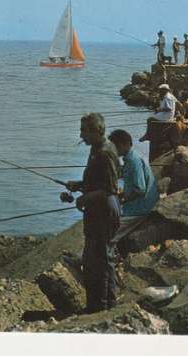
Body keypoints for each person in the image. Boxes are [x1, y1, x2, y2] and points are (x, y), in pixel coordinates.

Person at [62, 113, 121, 313]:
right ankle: (104, 305)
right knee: (96, 259)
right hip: (98, 211)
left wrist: (84, 198)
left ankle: (101, 307)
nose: (81, 135)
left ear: (96, 131)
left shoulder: (104, 152)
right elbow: (99, 182)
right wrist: (78, 185)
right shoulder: (97, 149)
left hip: (104, 212)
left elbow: (110, 189)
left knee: (100, 261)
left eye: (83, 131)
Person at [107, 130, 159, 244]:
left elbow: (140, 189)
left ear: (122, 145)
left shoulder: (133, 160)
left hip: (141, 208)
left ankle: (83, 259)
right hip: (140, 204)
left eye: (114, 147)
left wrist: (123, 200)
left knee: (109, 230)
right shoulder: (133, 156)